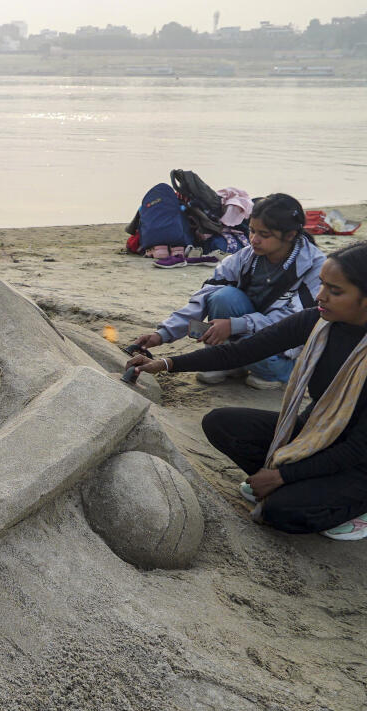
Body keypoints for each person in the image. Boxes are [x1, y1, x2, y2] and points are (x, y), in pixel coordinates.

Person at [127, 241, 367, 541]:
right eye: (322, 285)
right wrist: (166, 363)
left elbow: (359, 448)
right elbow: (240, 352)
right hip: (317, 434)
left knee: (280, 512)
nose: (320, 296)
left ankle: (350, 503)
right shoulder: (316, 322)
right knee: (221, 424)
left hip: (360, 460)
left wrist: (282, 476)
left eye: (335, 291)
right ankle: (305, 486)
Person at [132, 193, 324, 390]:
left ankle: (276, 372)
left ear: (290, 235)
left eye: (264, 235)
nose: (254, 240)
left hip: (277, 348)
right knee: (222, 296)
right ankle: (227, 363)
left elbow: (291, 322)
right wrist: (162, 334)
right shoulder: (246, 257)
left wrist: (234, 326)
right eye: (251, 231)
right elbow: (203, 298)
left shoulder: (314, 267)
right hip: (246, 336)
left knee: (263, 357)